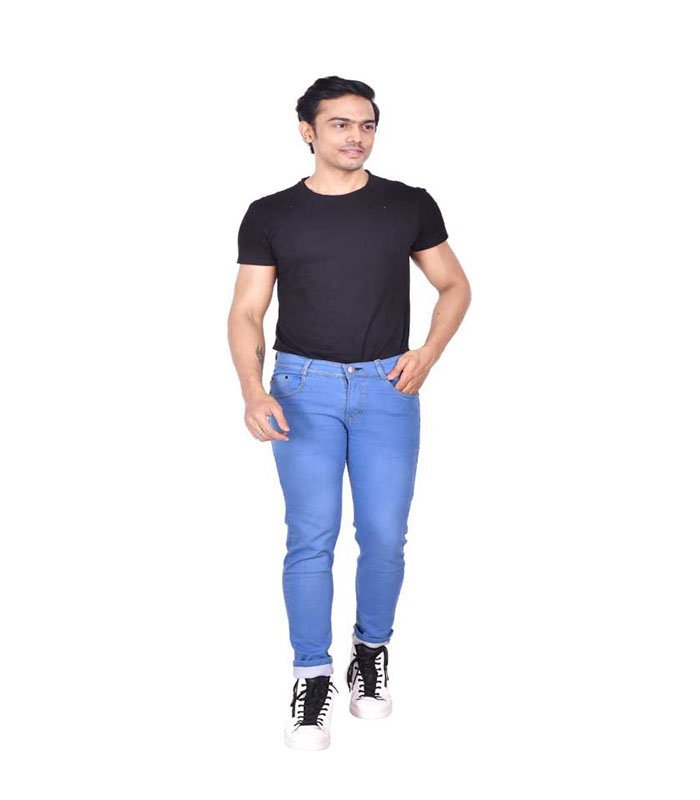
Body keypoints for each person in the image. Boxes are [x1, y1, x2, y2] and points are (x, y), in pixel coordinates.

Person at [228, 76, 471, 751]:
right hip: (301, 388)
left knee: (385, 535)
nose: (355, 137)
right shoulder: (271, 213)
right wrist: (252, 389)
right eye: (339, 124)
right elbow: (247, 310)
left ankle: (370, 651)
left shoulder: (408, 204)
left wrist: (428, 353)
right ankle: (312, 675)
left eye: (366, 125)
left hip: (388, 388)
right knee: (311, 535)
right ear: (308, 131)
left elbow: (454, 284)